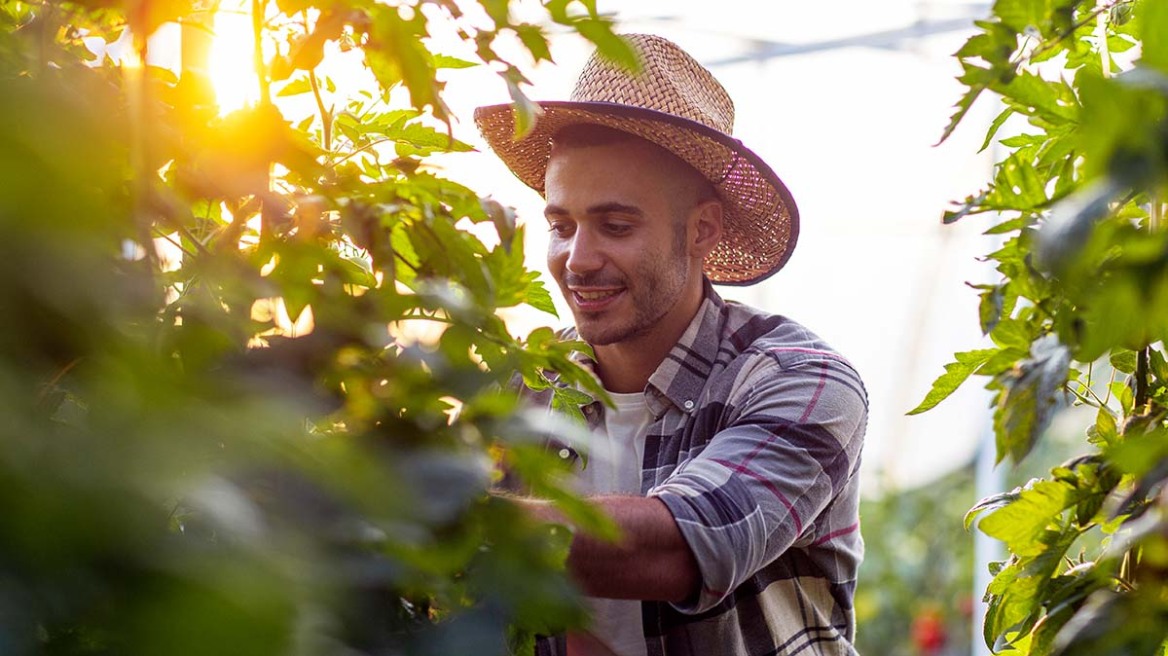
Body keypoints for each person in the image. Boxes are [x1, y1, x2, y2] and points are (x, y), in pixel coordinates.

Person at [475, 34, 868, 656]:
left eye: (616, 225)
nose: (577, 260)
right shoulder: (523, 386)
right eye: (561, 225)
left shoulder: (801, 380)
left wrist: (422, 505)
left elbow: (679, 548)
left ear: (702, 230)